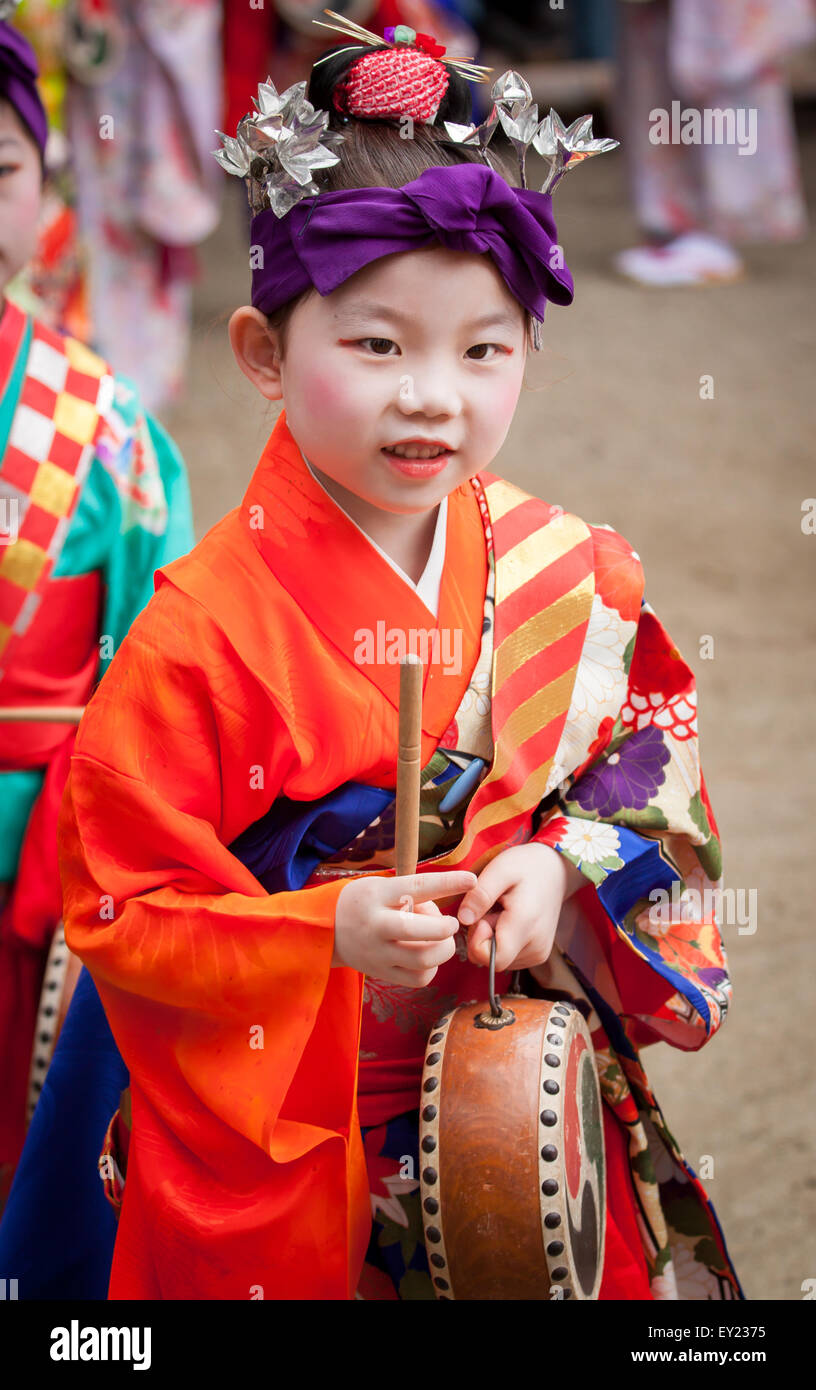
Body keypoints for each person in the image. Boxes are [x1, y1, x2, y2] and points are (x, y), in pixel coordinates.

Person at [52, 23, 742, 1301]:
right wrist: (324, 929)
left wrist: (551, 864)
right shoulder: (197, 632)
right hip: (302, 1119)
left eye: (483, 349)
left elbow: (644, 764)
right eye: (377, 345)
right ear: (263, 354)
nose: (433, 395)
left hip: (516, 1096)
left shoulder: (566, 568)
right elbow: (117, 912)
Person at [0, 9, 194, 1212]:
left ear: (45, 184)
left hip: (30, 850)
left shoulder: (100, 415)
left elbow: (152, 662)